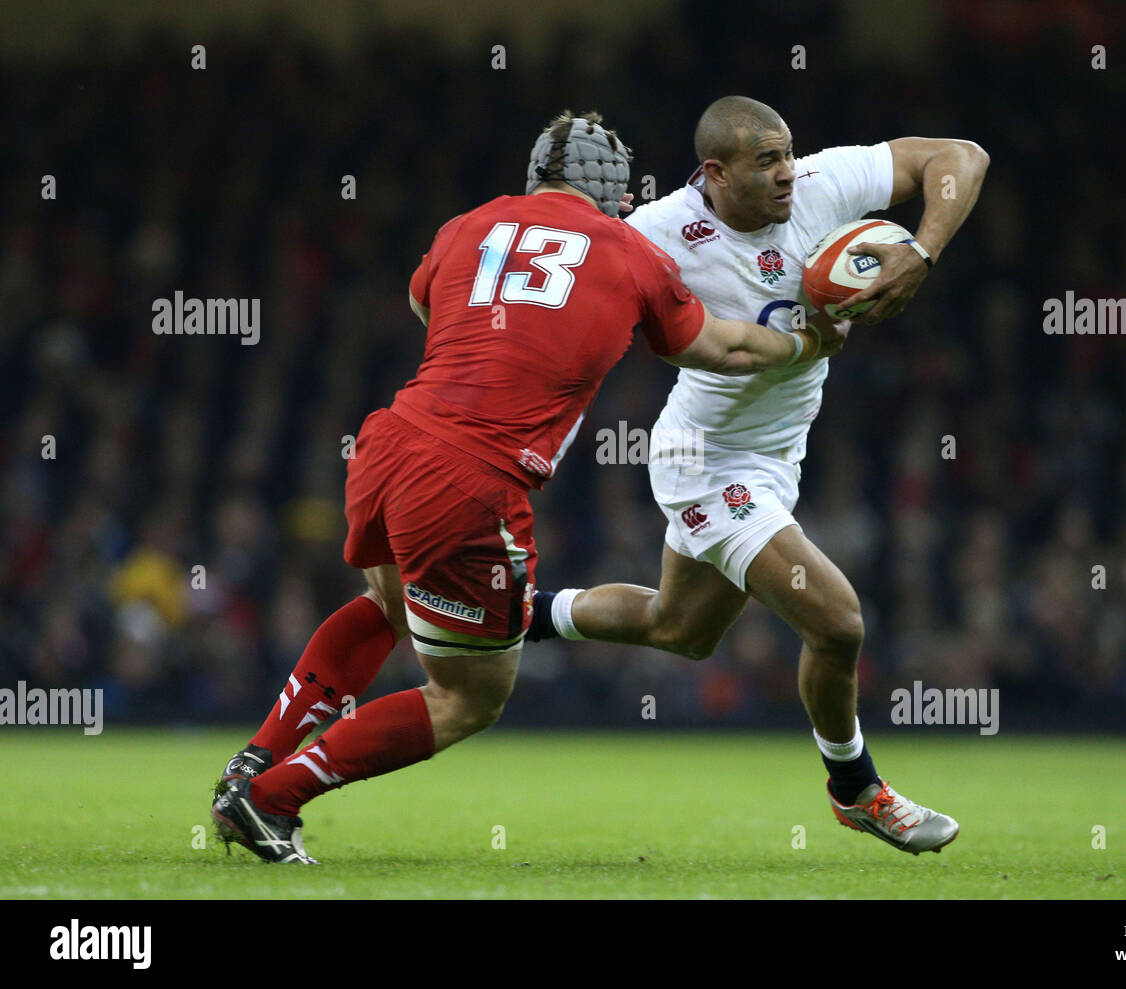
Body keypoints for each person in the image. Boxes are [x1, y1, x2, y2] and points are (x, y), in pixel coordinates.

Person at [209, 110, 846, 864]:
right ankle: (274, 796)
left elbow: (425, 302)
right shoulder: (629, 250)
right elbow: (731, 348)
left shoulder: (467, 224)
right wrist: (810, 338)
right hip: (469, 480)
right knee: (468, 696)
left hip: (388, 441)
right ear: (612, 187)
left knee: (385, 606)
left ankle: (251, 763)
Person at [527, 96, 990, 855]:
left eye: (788, 153)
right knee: (838, 621)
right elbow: (599, 314)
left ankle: (520, 612)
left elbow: (961, 154)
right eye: (766, 161)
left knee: (680, 629)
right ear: (716, 173)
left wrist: (922, 250)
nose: (787, 173)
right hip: (705, 460)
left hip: (777, 454)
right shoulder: (656, 235)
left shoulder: (821, 183)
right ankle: (857, 789)